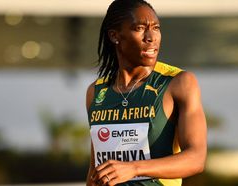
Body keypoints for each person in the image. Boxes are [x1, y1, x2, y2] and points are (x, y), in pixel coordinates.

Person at [86, 0, 207, 185]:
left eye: (156, 28)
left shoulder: (178, 83)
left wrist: (134, 168)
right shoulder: (96, 92)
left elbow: (196, 158)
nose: (151, 37)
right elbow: (95, 170)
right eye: (140, 28)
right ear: (115, 36)